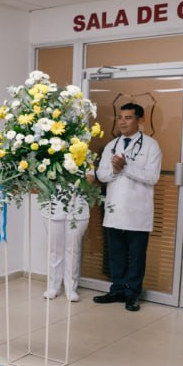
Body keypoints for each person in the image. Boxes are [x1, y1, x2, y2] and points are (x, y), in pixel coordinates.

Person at [93, 103, 162, 311]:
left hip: (137, 210)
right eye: (120, 117)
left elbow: (152, 177)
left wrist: (126, 167)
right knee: (116, 254)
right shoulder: (111, 145)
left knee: (136, 256)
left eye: (128, 117)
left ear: (140, 120)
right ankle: (117, 290)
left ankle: (132, 294)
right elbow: (101, 175)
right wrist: (115, 171)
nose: (122, 122)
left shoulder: (151, 146)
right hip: (115, 208)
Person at [39, 193, 91, 302]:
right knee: (54, 250)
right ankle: (53, 287)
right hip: (53, 207)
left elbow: (91, 183)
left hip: (78, 208)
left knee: (73, 250)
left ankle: (71, 289)